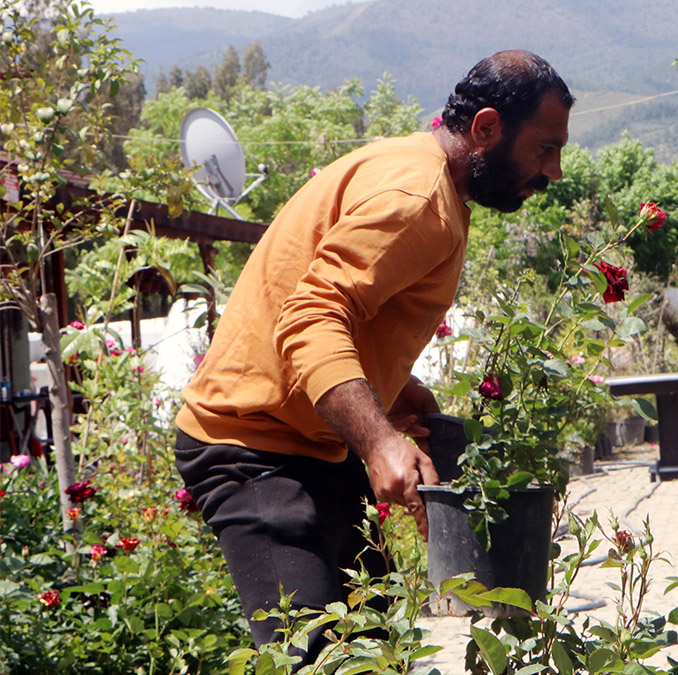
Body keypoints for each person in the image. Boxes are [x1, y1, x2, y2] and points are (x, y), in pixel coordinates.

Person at [173, 50, 573, 660]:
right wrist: (381, 441)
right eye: (545, 148)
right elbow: (312, 313)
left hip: (314, 447)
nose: (556, 171)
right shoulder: (418, 198)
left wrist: (393, 389)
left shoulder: (413, 166)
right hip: (252, 449)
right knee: (316, 660)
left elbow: (344, 308)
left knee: (376, 651)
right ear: (487, 128)